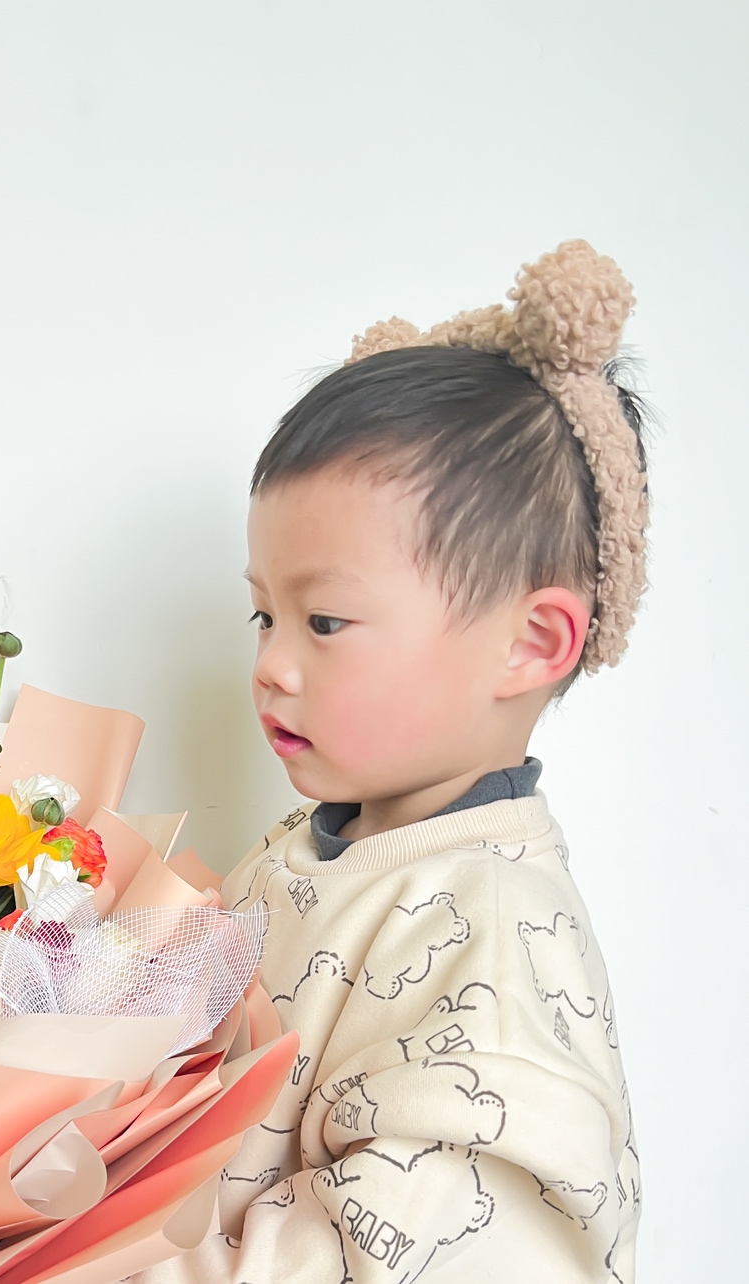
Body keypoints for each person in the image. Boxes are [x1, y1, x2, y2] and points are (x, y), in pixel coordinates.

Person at [137, 242, 644, 1282]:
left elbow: (421, 1251)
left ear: (530, 643)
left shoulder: (493, 945)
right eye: (263, 615)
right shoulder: (321, 842)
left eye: (323, 621)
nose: (271, 665)